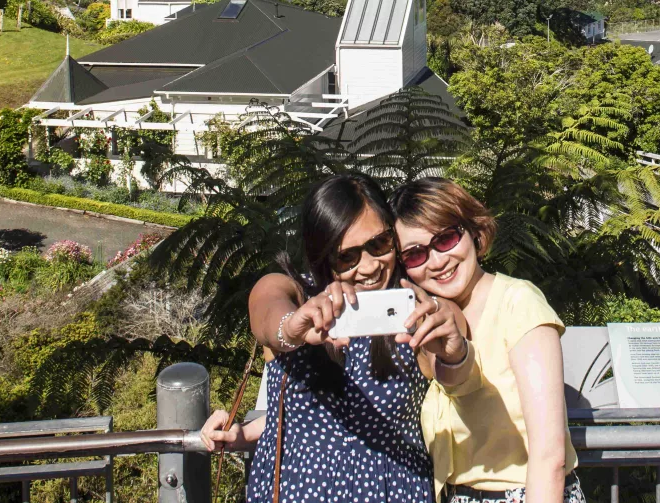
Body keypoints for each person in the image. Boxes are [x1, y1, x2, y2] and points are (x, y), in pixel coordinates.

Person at [197, 173, 473, 503]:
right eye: (347, 256)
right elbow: (268, 318)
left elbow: (455, 368)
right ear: (322, 254)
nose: (369, 266)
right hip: (293, 488)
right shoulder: (292, 294)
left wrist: (451, 349)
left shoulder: (419, 311)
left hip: (391, 489)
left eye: (379, 244)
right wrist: (294, 328)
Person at [390, 178, 586, 503]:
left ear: (474, 232)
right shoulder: (430, 324)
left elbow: (549, 456)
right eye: (415, 255)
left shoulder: (518, 303)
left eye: (446, 238)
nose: (437, 261)